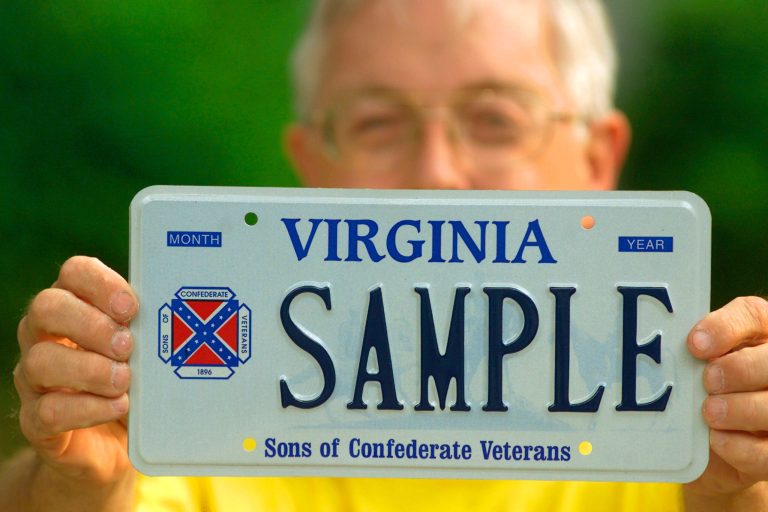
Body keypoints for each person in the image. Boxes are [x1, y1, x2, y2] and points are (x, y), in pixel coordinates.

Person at [2, 0, 768, 510]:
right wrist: (70, 489)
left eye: (496, 119)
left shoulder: (695, 437)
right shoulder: (197, 415)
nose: (436, 170)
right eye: (376, 122)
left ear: (599, 160)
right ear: (309, 163)